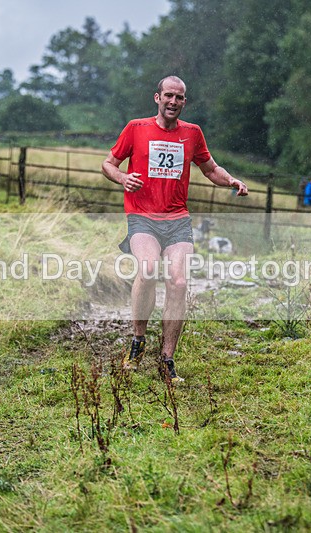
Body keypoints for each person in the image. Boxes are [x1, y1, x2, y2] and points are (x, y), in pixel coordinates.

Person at [101, 75, 248, 383]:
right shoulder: (136, 128)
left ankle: (167, 360)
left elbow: (210, 169)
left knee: (178, 282)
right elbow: (109, 164)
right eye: (168, 95)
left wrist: (231, 180)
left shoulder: (192, 134)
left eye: (179, 98)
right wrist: (122, 178)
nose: (173, 102)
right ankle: (138, 341)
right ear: (157, 98)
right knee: (149, 268)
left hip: (177, 219)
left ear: (184, 102)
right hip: (142, 217)